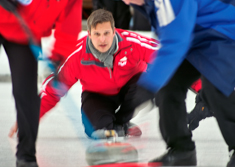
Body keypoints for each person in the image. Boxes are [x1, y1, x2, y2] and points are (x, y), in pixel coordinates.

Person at [123, 0, 235, 166]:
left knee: (214, 85)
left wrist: (148, 85)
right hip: (200, 36)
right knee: (168, 83)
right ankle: (182, 150)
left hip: (233, 29)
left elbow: (175, 41)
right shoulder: (147, 4)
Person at [38, 9, 158, 139]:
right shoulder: (77, 55)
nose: (102, 39)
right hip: (97, 96)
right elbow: (53, 89)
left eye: (106, 33)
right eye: (97, 34)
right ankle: (113, 127)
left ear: (114, 32)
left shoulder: (131, 43)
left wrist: (173, 100)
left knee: (149, 84)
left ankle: (121, 122)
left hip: (130, 90)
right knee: (98, 131)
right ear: (89, 34)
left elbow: (166, 55)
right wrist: (30, 119)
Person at [0, 0, 82, 166]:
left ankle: (26, 157)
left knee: (26, 94)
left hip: (25, 32)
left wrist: (59, 56)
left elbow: (69, 20)